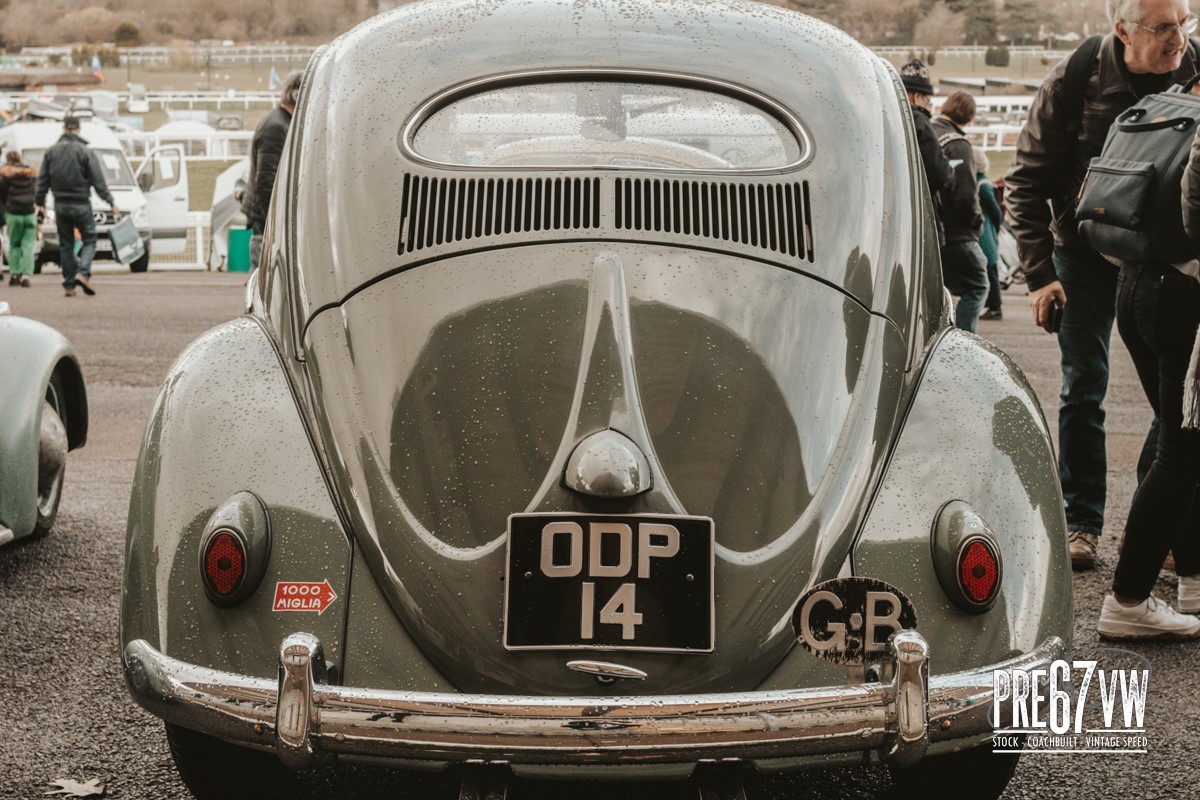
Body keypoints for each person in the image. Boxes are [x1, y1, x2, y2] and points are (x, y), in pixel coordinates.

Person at [1005, 0, 1199, 572]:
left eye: (1183, 24)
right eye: (1163, 28)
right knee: (1084, 385)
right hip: (1084, 255)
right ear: (1122, 30)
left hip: (1159, 260)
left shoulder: (1195, 68)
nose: (1177, 39)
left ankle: (1156, 524)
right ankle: (1082, 522)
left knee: (1176, 404)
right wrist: (1040, 276)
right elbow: (1025, 181)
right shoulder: (1076, 75)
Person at [34, 116, 119, 298]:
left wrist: (39, 204)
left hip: (61, 205)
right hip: (81, 204)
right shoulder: (85, 152)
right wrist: (110, 202)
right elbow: (98, 182)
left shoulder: (51, 152)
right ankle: (83, 271)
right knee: (90, 239)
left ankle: (69, 285)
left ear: (64, 129)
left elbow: (42, 183)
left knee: (66, 245)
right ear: (78, 130)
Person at [931, 91, 988, 333]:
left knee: (936, 289)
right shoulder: (958, 144)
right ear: (969, 117)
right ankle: (964, 339)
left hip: (932, 229)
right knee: (978, 285)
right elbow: (966, 194)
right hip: (957, 233)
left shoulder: (927, 134)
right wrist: (976, 222)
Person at [242, 70, 303, 269]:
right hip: (265, 220)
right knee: (263, 280)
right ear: (297, 96)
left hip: (263, 217)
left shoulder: (278, 121)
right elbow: (266, 181)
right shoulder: (276, 127)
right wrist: (276, 222)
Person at [898, 59, 953, 237]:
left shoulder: (885, 116)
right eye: (927, 99)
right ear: (917, 96)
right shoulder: (919, 121)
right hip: (919, 219)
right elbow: (939, 173)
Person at [0, 150, 38, 287]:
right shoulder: (31, 174)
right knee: (28, 245)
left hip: (13, 213)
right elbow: (36, 191)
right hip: (29, 213)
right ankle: (26, 275)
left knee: (14, 244)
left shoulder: (6, 176)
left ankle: (15, 274)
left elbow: (2, 194)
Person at [976, 150, 1004, 321]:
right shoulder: (980, 182)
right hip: (985, 230)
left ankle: (995, 307)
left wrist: (996, 226)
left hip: (984, 231)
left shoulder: (982, 184)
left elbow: (995, 211)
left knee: (990, 269)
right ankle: (991, 305)